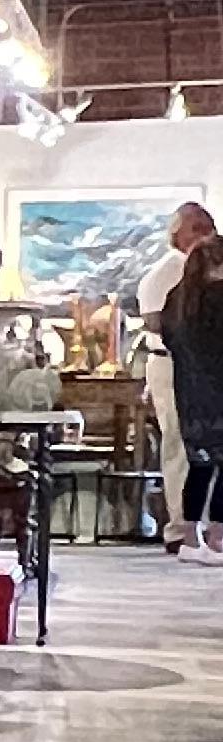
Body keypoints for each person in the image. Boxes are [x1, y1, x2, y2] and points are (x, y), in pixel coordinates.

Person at [137, 200, 217, 546]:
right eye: (196, 228)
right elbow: (165, 326)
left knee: (207, 449)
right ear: (177, 235)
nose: (205, 235)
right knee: (182, 447)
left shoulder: (202, 271)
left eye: (208, 227)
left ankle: (205, 525)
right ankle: (181, 529)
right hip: (174, 366)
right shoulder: (168, 273)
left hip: (203, 370)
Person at [161, 232, 223, 562]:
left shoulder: (177, 299)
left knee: (198, 465)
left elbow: (170, 341)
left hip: (189, 391)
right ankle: (217, 539)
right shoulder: (219, 297)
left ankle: (188, 539)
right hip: (219, 391)